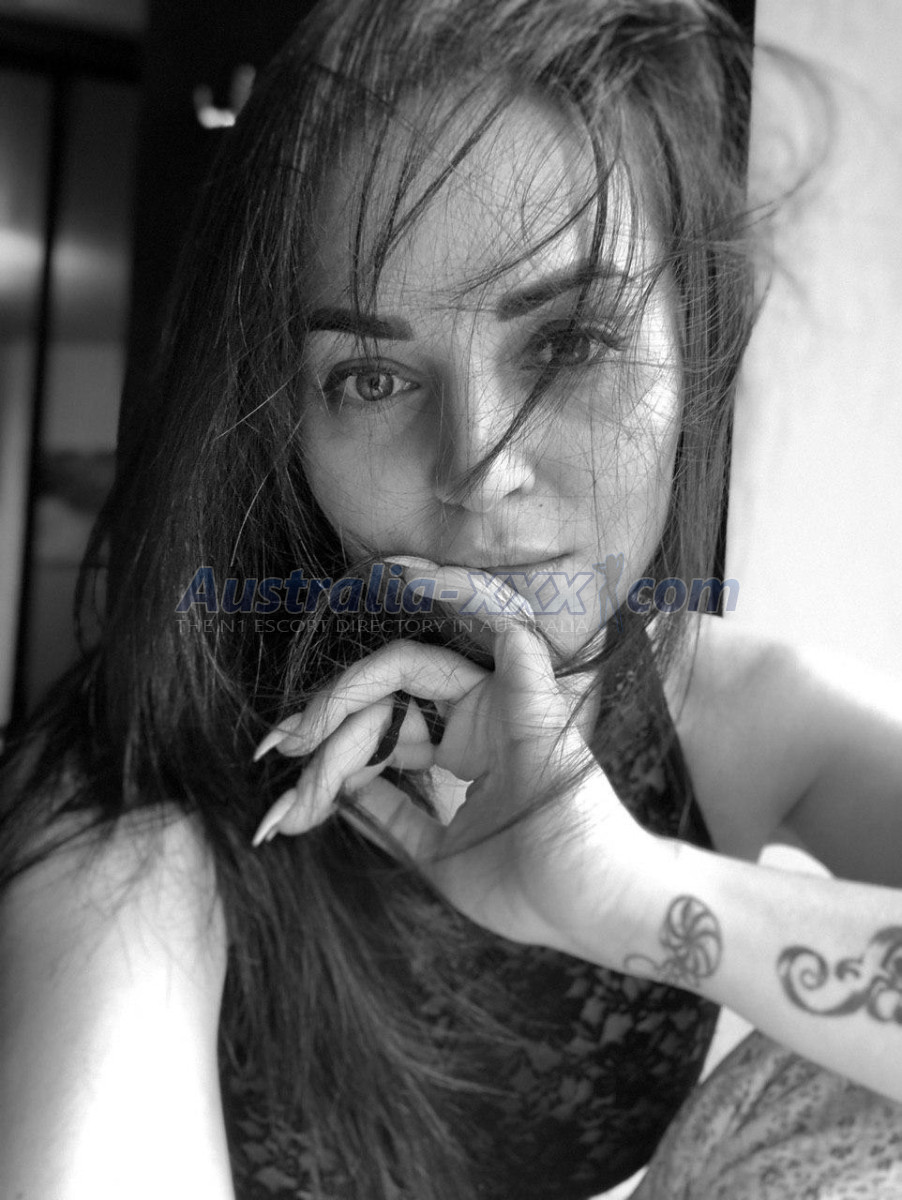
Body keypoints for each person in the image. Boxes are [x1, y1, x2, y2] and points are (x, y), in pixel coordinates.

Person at [1, 1, 900, 1198]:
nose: (479, 468)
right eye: (371, 378)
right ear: (287, 425)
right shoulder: (142, 824)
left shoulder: (743, 715)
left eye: (568, 342)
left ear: (692, 347)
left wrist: (632, 896)